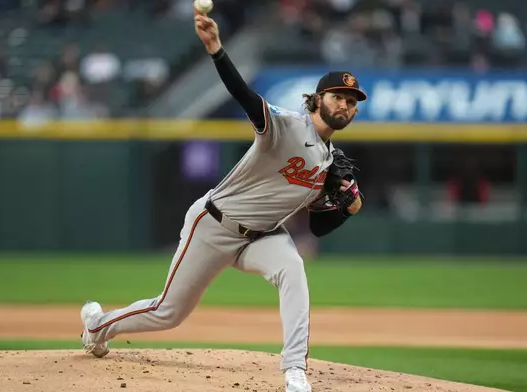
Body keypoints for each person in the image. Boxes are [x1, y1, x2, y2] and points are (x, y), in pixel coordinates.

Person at [79, 10, 365, 392]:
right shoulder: (285, 125)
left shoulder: (330, 161)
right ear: (318, 99)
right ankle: (98, 325)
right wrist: (215, 48)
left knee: (293, 269)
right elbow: (246, 97)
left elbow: (318, 225)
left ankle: (294, 369)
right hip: (214, 224)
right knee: (169, 313)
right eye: (338, 97)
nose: (344, 105)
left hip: (261, 237)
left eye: (351, 101)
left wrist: (347, 207)